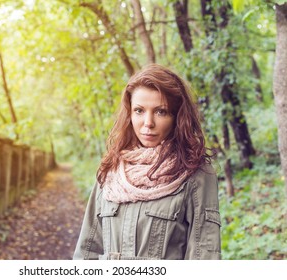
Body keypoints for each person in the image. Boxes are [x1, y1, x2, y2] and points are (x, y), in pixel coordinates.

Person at [73, 64, 221, 260]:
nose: (148, 122)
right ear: (129, 114)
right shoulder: (111, 171)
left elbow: (204, 258)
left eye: (161, 112)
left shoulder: (196, 172)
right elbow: (86, 252)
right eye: (139, 111)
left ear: (177, 117)